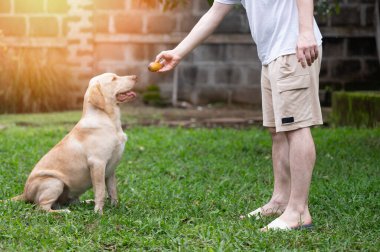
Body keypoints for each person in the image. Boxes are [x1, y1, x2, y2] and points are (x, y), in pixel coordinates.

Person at [153, 0, 323, 231]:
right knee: (277, 131)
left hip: (293, 49)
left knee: (296, 127)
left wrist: (305, 33)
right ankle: (280, 200)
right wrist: (178, 52)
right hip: (272, 56)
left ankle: (299, 211)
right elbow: (214, 13)